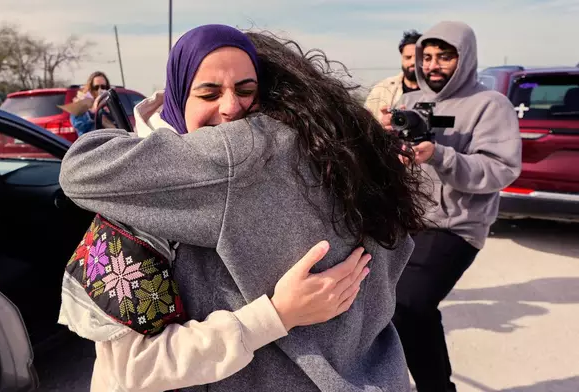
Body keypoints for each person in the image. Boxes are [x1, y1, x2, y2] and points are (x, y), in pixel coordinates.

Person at [60, 24, 430, 392]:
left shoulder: (245, 153)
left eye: (246, 89)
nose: (230, 108)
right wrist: (277, 314)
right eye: (208, 92)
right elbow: (132, 367)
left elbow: (81, 168)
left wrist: (275, 317)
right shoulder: (344, 149)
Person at [379, 21, 522, 392]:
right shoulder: (408, 102)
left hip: (456, 226)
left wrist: (441, 155)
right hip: (408, 219)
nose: (433, 65)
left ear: (465, 57)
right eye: (427, 57)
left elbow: (500, 169)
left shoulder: (490, 105)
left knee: (409, 303)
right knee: (391, 305)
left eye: (445, 56)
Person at [364, 30, 421, 123]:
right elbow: (364, 124)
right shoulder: (382, 89)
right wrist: (382, 127)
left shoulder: (439, 91)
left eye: (418, 57)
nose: (412, 62)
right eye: (408, 57)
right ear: (401, 57)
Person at [65, 71, 113, 135]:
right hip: (91, 143)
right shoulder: (80, 104)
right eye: (96, 87)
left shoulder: (110, 104)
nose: (100, 90)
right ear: (90, 88)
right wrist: (93, 112)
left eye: (103, 87)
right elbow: (79, 125)